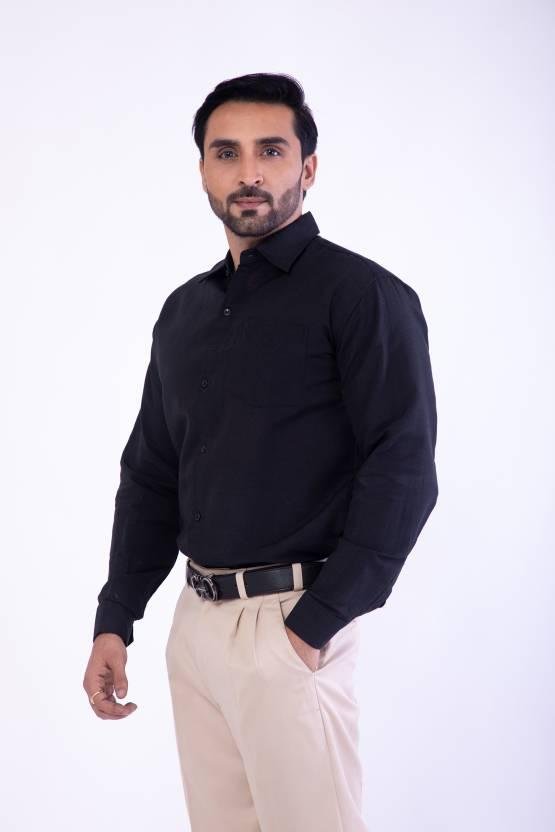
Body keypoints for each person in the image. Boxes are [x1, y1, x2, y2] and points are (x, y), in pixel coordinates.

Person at [83, 71, 439, 831]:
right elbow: (151, 473)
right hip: (196, 626)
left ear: (307, 168)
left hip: (291, 624)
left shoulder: (362, 296)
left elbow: (403, 469)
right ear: (202, 171)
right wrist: (116, 617)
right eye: (227, 153)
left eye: (270, 151)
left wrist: (313, 628)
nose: (248, 172)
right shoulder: (184, 311)